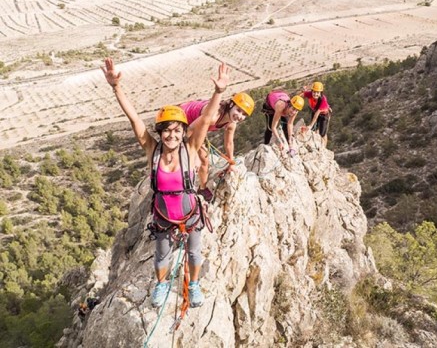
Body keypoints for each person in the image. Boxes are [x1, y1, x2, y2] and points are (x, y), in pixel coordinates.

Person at [101, 57, 230, 309]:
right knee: (161, 255)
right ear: (160, 132)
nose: (172, 135)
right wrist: (116, 87)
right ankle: (161, 285)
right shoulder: (153, 150)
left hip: (191, 214)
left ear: (183, 132)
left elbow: (204, 120)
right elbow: (135, 120)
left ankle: (193, 285)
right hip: (163, 216)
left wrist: (218, 92)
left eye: (177, 130)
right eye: (167, 130)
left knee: (194, 253)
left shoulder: (191, 149)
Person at [179, 92, 255, 202]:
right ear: (231, 105)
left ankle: (202, 188)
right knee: (191, 161)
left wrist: (231, 163)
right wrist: (193, 154)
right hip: (183, 119)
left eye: (244, 114)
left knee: (204, 160)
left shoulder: (231, 123)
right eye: (238, 110)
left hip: (196, 125)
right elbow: (190, 129)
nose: (239, 116)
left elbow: (229, 143)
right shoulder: (214, 116)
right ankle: (182, 191)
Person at [262, 90, 304, 155]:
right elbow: (274, 127)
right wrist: (279, 141)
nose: (294, 112)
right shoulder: (280, 106)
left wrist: (290, 139)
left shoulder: (295, 109)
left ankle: (290, 147)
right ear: (289, 105)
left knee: (286, 125)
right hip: (270, 105)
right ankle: (265, 146)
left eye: (296, 110)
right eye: (293, 109)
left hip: (281, 99)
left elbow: (290, 124)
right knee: (270, 127)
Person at [302, 81, 332, 146]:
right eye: (314, 92)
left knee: (322, 133)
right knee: (314, 129)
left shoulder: (323, 100)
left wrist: (310, 125)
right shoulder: (310, 94)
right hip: (315, 111)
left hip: (324, 115)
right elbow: (302, 95)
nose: (315, 94)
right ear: (312, 91)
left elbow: (317, 114)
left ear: (321, 93)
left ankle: (323, 147)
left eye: (317, 92)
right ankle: (316, 143)